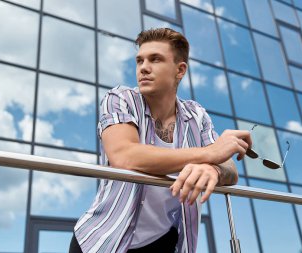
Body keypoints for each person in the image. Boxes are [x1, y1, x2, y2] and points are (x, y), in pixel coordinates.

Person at [69, 28, 252, 253]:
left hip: (162, 242)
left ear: (180, 70)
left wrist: (213, 169)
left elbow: (230, 170)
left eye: (155, 59)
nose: (144, 67)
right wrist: (209, 155)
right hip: (103, 240)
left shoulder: (197, 114)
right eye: (140, 60)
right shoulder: (119, 99)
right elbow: (124, 156)